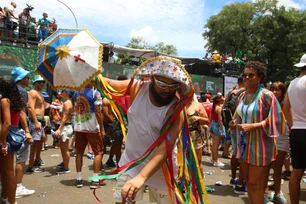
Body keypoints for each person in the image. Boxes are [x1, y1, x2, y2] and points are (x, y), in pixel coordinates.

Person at [103, 56, 192, 203]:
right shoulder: (137, 88)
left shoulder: (176, 110)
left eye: (173, 86)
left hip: (162, 172)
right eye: (162, 84)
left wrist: (142, 177)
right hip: (131, 164)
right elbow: (109, 83)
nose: (167, 90)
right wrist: (86, 74)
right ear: (152, 77)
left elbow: (166, 147)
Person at [230, 61, 286, 204]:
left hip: (260, 145)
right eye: (245, 75)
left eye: (251, 75)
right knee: (248, 181)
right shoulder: (242, 96)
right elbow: (239, 115)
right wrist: (234, 123)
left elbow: (277, 119)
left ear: (260, 77)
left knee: (256, 183)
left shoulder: (267, 96)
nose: (247, 78)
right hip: (244, 144)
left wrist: (254, 126)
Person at [283, 53, 306, 204]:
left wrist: (293, 125)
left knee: (297, 171)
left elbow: (285, 108)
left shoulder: (292, 83)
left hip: (297, 130)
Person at [73, 81, 105, 189]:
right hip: (92, 127)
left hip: (79, 126)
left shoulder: (76, 93)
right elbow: (98, 112)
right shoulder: (95, 93)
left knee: (79, 152)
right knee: (98, 152)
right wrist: (102, 127)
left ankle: (79, 178)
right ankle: (95, 179)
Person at [10, 67, 35, 198]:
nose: (28, 79)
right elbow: (22, 112)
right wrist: (27, 131)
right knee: (21, 159)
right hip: (19, 129)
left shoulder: (8, 90)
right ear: (20, 79)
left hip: (9, 129)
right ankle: (18, 187)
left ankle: (8, 186)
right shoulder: (22, 91)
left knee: (8, 160)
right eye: (26, 77)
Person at [265, 81, 289, 203]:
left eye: (278, 89)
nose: (275, 92)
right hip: (269, 135)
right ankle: (264, 192)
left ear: (283, 91)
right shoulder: (267, 102)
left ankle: (277, 193)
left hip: (283, 136)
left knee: (278, 166)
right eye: (273, 89)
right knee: (266, 166)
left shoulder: (286, 102)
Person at [0, 76, 23, 204]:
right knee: (5, 170)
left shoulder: (5, 101)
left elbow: (7, 123)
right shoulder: (16, 100)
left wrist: (2, 141)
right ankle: (5, 197)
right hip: (14, 134)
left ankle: (12, 201)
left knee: (8, 171)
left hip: (7, 136)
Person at [227, 77, 247, 195]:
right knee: (243, 155)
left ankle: (233, 178)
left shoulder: (231, 92)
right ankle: (240, 183)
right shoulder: (245, 93)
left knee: (235, 152)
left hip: (232, 124)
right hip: (242, 125)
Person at [27, 75, 47, 173]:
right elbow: (30, 107)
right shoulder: (33, 92)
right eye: (39, 82)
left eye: (43, 82)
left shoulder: (40, 93)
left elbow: (42, 106)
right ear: (35, 83)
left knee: (41, 141)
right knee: (34, 144)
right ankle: (31, 166)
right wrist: (35, 122)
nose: (42, 83)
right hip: (36, 121)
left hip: (40, 120)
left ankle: (37, 160)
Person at [186, 97, 209, 175]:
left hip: (195, 136)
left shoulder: (197, 106)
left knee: (197, 161)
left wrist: (198, 118)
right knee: (184, 161)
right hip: (181, 136)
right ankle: (187, 183)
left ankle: (198, 184)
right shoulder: (178, 105)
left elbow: (207, 120)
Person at [54, 89, 74, 174]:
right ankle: (64, 163)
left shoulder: (66, 103)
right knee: (62, 147)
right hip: (66, 126)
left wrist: (59, 129)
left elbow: (65, 117)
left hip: (66, 127)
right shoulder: (68, 102)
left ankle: (66, 168)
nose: (60, 93)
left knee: (65, 149)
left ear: (66, 93)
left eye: (62, 91)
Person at [210, 93, 225, 167]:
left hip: (213, 124)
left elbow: (210, 118)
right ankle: (215, 161)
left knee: (214, 145)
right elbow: (220, 120)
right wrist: (222, 130)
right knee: (216, 145)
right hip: (217, 125)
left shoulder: (213, 107)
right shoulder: (219, 108)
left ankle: (213, 159)